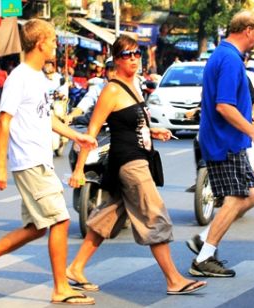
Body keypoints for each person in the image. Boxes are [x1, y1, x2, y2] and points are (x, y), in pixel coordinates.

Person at [0, 19, 97, 305]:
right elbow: (4, 119)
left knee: (38, 226)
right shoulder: (19, 77)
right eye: (52, 40)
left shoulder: (39, 78)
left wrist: (76, 136)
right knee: (60, 219)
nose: (55, 45)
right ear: (39, 43)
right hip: (30, 161)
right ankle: (60, 287)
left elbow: (46, 117)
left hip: (40, 160)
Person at [66, 35, 207, 295]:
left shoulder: (135, 84)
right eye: (126, 55)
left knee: (107, 217)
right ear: (116, 60)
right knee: (155, 215)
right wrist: (79, 170)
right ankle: (174, 279)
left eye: (136, 53)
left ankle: (75, 267)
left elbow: (130, 123)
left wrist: (154, 132)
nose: (133, 59)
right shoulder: (112, 89)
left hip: (139, 158)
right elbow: (92, 130)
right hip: (129, 163)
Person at [186, 10, 254, 278]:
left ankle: (203, 238)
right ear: (247, 30)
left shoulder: (225, 55)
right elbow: (224, 106)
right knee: (236, 197)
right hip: (225, 142)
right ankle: (204, 257)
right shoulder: (230, 59)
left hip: (229, 140)